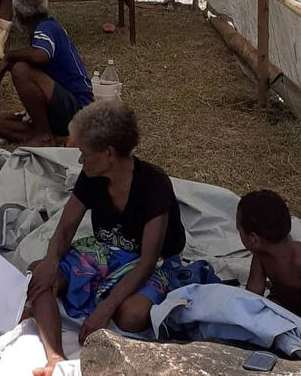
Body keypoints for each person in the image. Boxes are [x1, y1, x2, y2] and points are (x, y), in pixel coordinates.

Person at [26, 101, 186, 376]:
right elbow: (65, 229)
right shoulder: (91, 177)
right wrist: (52, 260)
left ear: (109, 153)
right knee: (41, 276)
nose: (79, 160)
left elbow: (148, 261)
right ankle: (56, 358)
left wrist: (107, 309)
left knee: (131, 315)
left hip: (152, 261)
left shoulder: (153, 185)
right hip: (106, 250)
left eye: (84, 153)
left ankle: (95, 300)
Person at [0, 0, 93, 146]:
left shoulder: (47, 27)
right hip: (59, 111)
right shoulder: (44, 30)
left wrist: (9, 56)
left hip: (77, 107)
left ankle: (43, 135)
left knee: (20, 69)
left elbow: (41, 55)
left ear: (19, 17)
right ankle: (56, 138)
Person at [236, 189, 301, 320]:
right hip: (283, 307)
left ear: (253, 239)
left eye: (239, 230)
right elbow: (253, 293)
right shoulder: (260, 256)